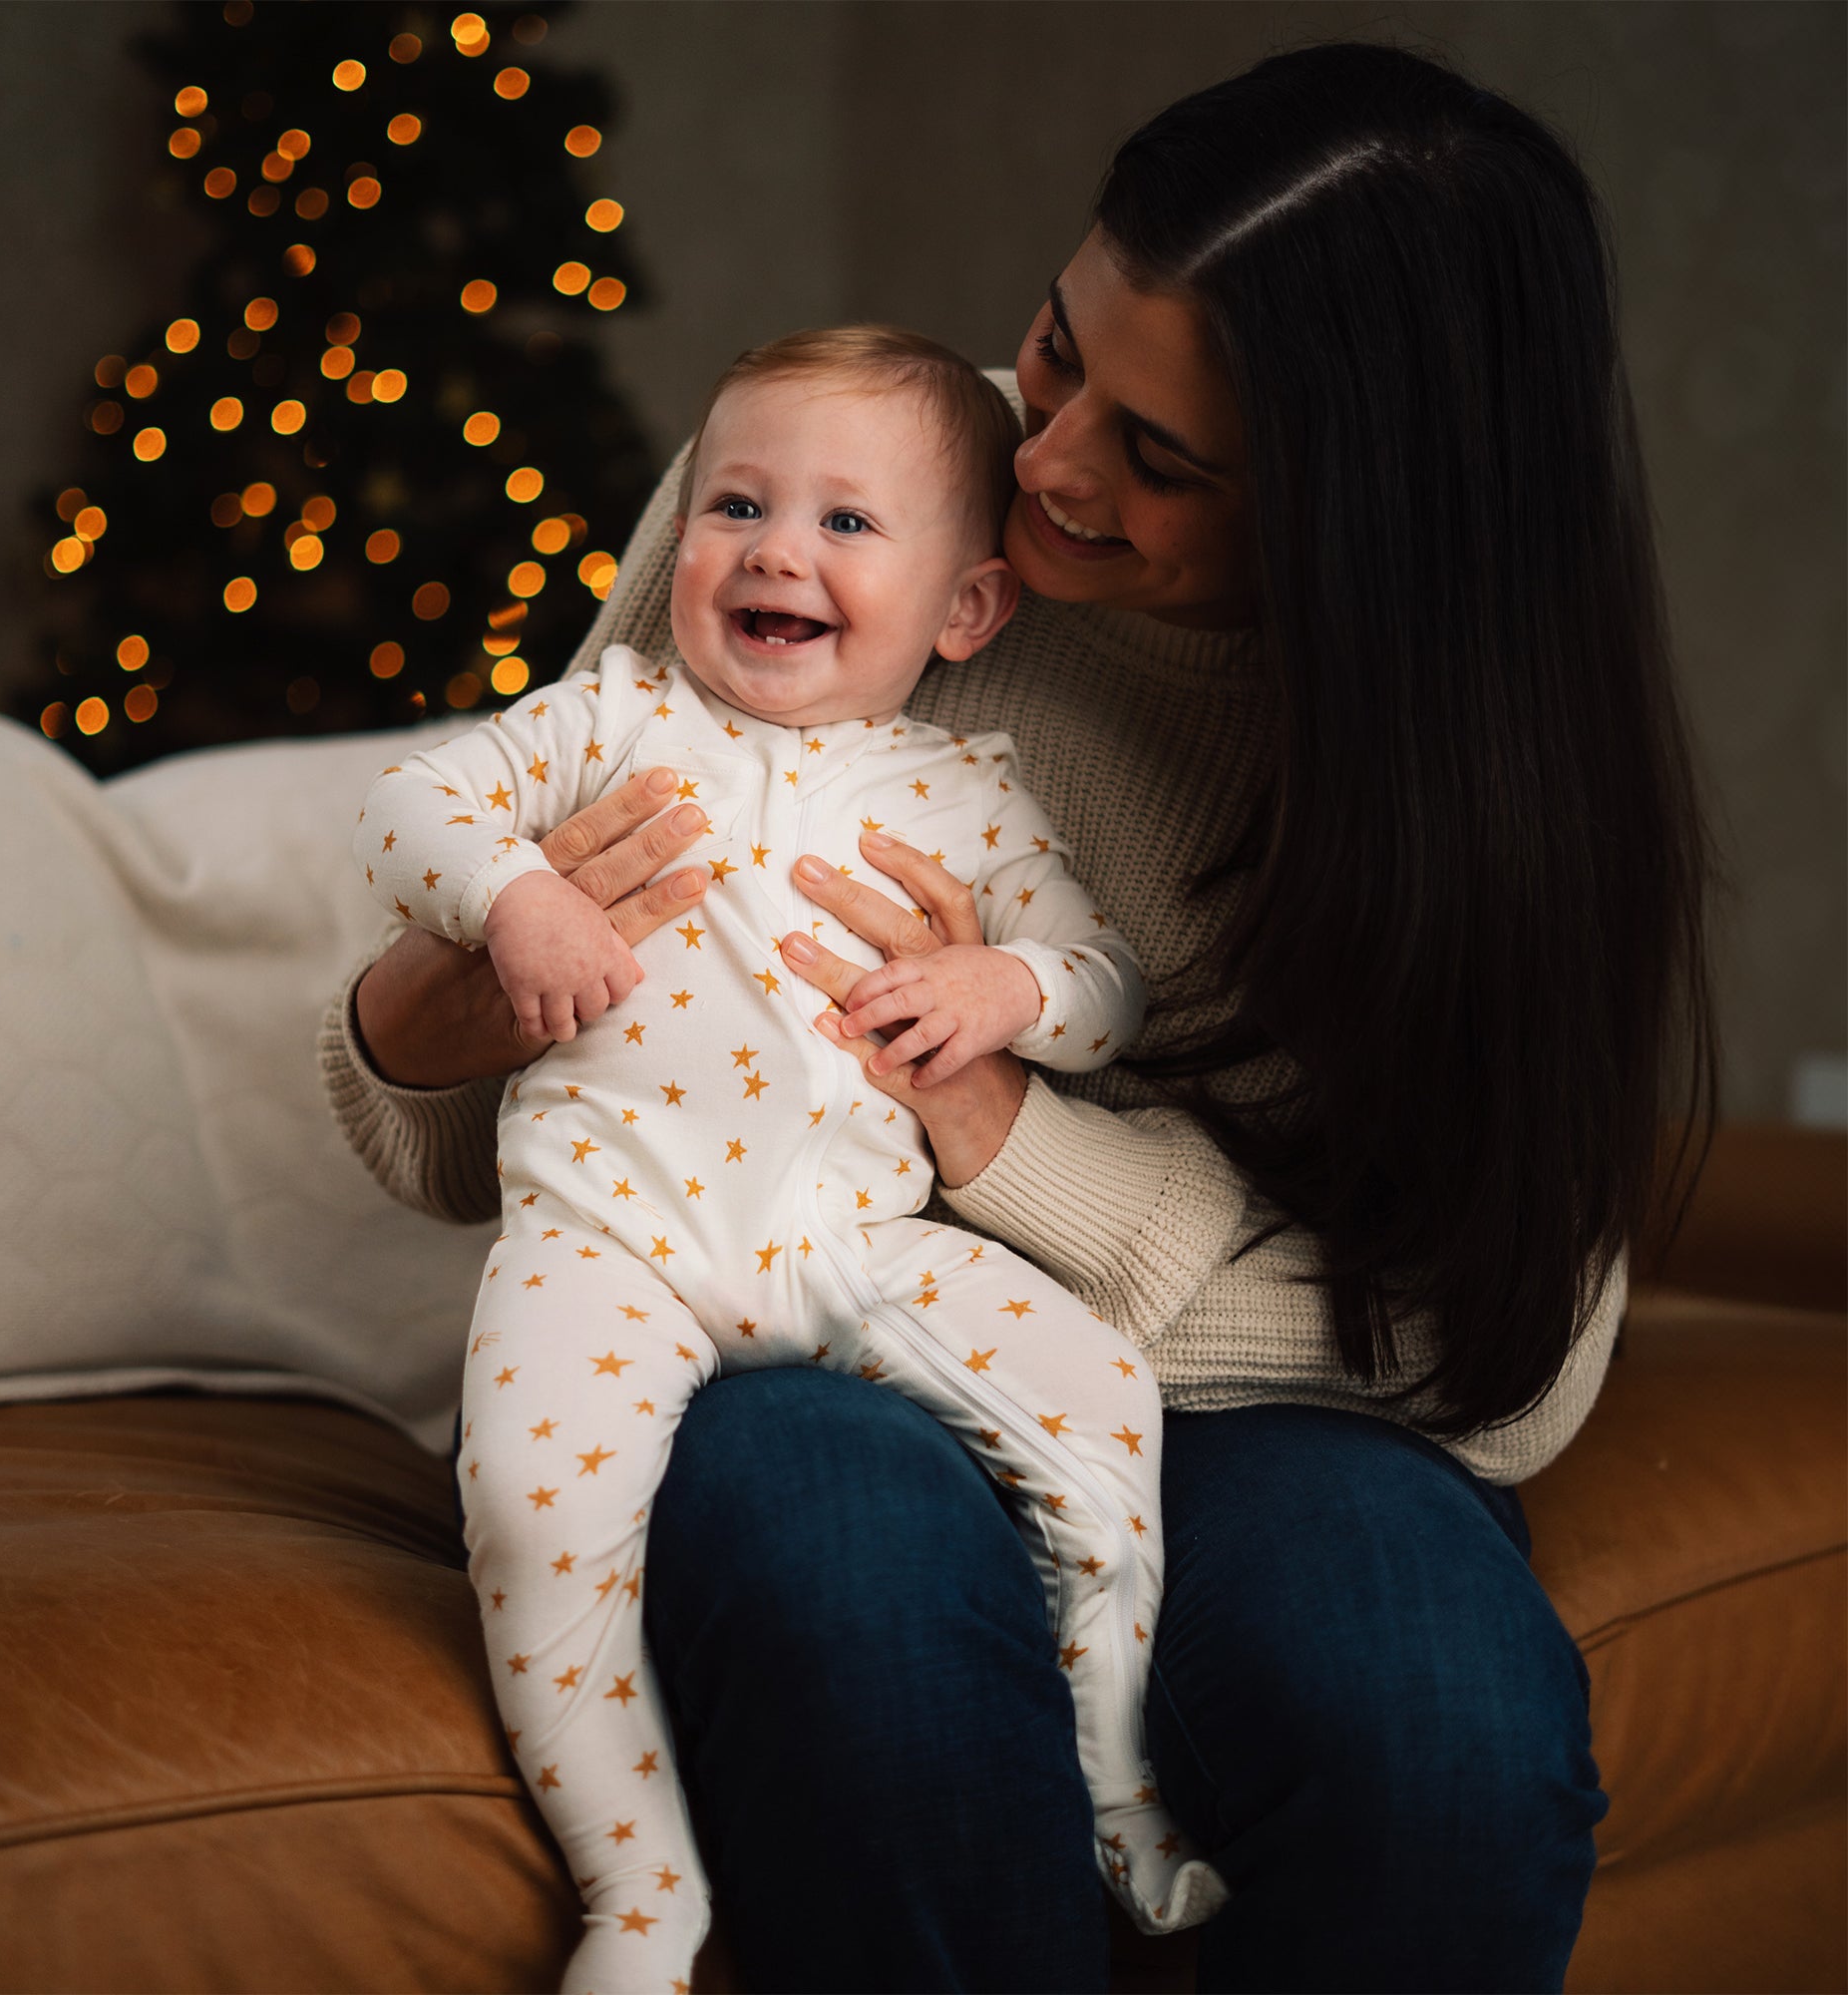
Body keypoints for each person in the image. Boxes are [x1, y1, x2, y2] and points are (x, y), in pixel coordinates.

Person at [320, 43, 1714, 1994]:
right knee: (860, 1604)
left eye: (1161, 456)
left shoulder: (1495, 777)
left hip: (1263, 1403)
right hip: (772, 1301)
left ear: (1374, 515)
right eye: (1056, 353)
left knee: (1441, 1746)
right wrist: (442, 1004)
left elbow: (1502, 1367)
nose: (1041, 462)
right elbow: (476, 1068)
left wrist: (1001, 1135)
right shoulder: (833, 478)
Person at [352, 326, 1222, 1995]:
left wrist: (1004, 989)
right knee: (535, 1513)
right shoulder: (609, 716)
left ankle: (1116, 1780)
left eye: (844, 525)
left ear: (964, 612)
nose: (773, 550)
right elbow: (409, 803)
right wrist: (516, 896)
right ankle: (638, 1889)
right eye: (737, 503)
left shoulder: (972, 790)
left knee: (1103, 1400)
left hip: (855, 1245)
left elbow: (1107, 990)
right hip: (610, 1242)